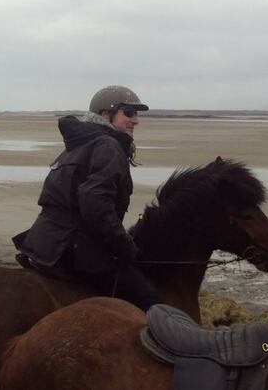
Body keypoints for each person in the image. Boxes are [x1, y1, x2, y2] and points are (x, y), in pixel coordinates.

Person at [13, 85, 163, 312]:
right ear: (106, 114)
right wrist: (124, 246)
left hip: (45, 241)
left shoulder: (81, 143)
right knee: (150, 302)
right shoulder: (108, 146)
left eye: (137, 114)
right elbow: (95, 204)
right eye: (129, 113)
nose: (136, 121)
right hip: (75, 247)